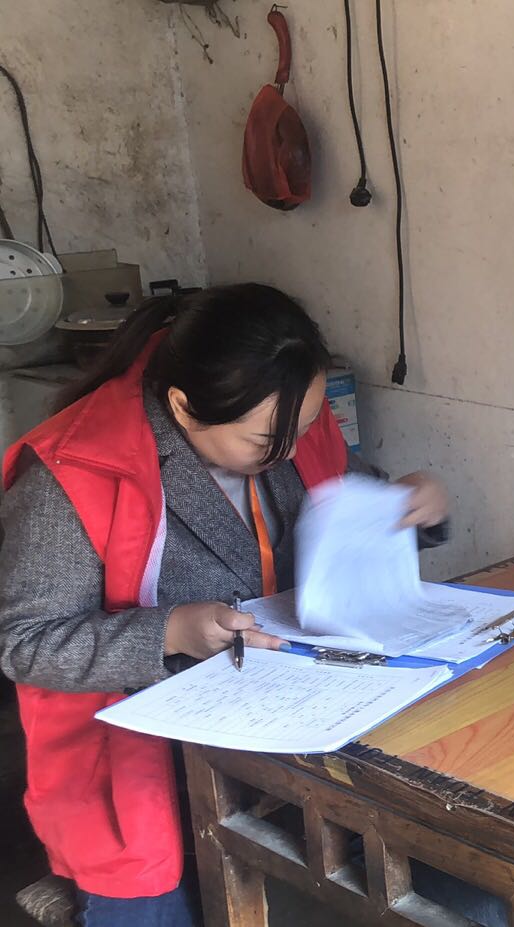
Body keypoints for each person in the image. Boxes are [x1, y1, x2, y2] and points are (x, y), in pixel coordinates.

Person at [0, 283, 450, 926]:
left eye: (304, 427)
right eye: (266, 440)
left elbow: (342, 496)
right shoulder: (73, 473)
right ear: (184, 409)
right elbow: (25, 644)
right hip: (139, 776)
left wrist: (405, 505)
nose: (289, 452)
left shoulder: (283, 420)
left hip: (294, 742)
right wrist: (167, 633)